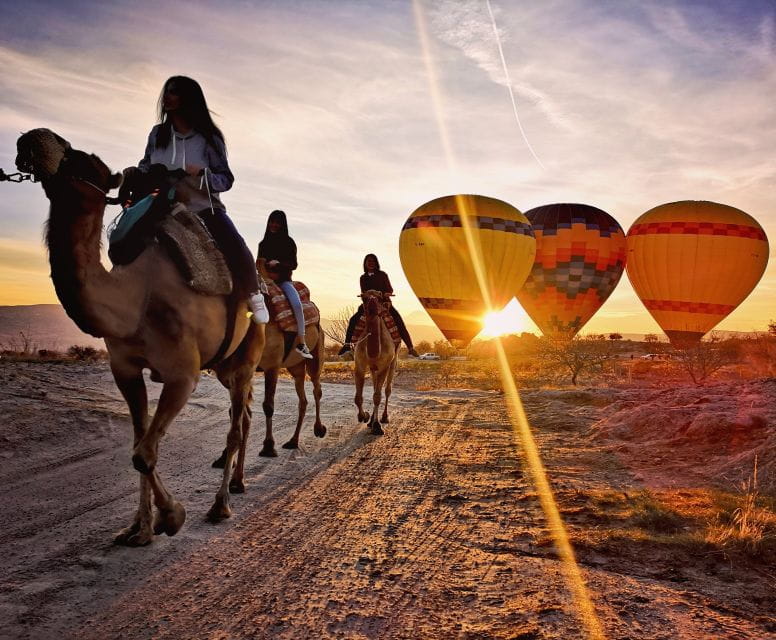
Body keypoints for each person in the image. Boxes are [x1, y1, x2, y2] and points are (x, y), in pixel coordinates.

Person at [136, 75, 268, 324]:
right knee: (126, 237)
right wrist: (138, 175)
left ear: (188, 99)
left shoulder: (209, 138)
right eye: (167, 91)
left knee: (233, 242)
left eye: (174, 92)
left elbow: (226, 179)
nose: (167, 97)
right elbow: (145, 164)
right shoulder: (157, 134)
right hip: (160, 206)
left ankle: (254, 294)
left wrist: (202, 174)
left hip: (202, 208)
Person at [257, 210, 313, 359]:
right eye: (272, 222)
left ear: (282, 225)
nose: (274, 225)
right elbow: (259, 262)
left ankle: (302, 341)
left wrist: (279, 264)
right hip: (264, 281)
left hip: (283, 281)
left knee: (296, 304)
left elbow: (293, 264)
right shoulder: (263, 244)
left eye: (277, 223)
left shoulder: (289, 242)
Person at [338, 254, 418, 357]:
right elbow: (363, 292)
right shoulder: (363, 277)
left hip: (383, 303)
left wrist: (383, 294)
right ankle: (347, 345)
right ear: (365, 263)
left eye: (373, 261)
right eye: (368, 261)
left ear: (376, 263)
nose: (371, 263)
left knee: (398, 320)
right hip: (368, 304)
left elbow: (390, 289)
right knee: (353, 320)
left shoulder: (382, 275)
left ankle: (410, 347)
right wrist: (366, 295)